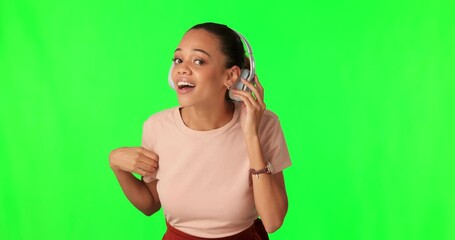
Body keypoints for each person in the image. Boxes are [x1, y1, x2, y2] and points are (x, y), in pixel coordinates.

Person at [109, 22, 292, 240]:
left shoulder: (265, 124)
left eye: (199, 61)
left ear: (232, 76)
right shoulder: (156, 127)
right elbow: (150, 204)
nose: (182, 69)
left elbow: (272, 221)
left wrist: (251, 135)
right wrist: (116, 164)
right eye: (178, 59)